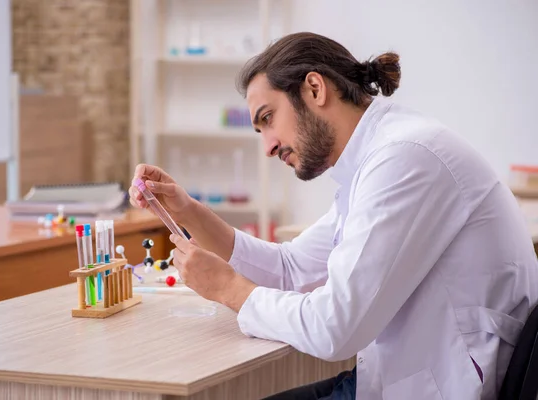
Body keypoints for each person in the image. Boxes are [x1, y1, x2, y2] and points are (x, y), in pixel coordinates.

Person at [128, 32, 538, 399]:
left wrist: (229, 289)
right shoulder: (375, 160)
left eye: (268, 119)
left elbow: (335, 328)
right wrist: (187, 210)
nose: (268, 146)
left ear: (314, 88)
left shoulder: (405, 158)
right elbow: (291, 269)